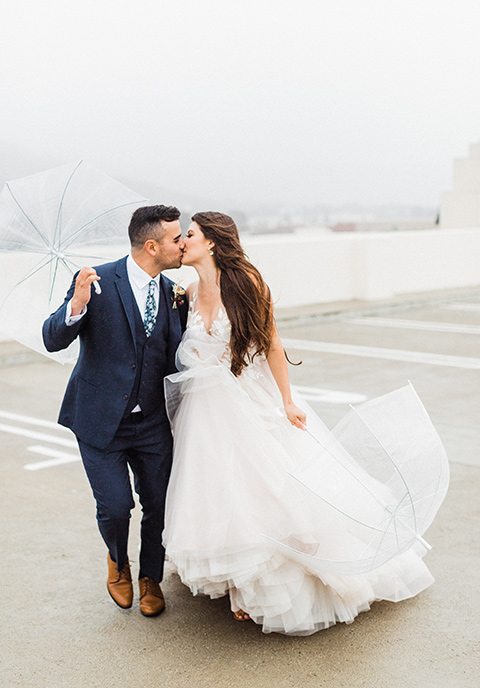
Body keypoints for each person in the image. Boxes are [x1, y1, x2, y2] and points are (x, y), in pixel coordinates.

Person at [163, 211, 444, 636]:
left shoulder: (248, 284)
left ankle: (264, 584)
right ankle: (237, 577)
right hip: (204, 409)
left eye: (190, 234)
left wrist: (288, 401)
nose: (183, 242)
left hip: (248, 399)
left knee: (270, 487)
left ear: (214, 242)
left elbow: (272, 343)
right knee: (220, 490)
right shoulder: (186, 289)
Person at [43, 205, 188, 617]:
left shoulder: (173, 292)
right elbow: (52, 338)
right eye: (176, 239)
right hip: (99, 419)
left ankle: (150, 578)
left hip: (153, 423)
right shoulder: (97, 281)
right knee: (115, 506)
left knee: (159, 504)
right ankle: (117, 562)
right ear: (151, 245)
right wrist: (77, 305)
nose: (182, 245)